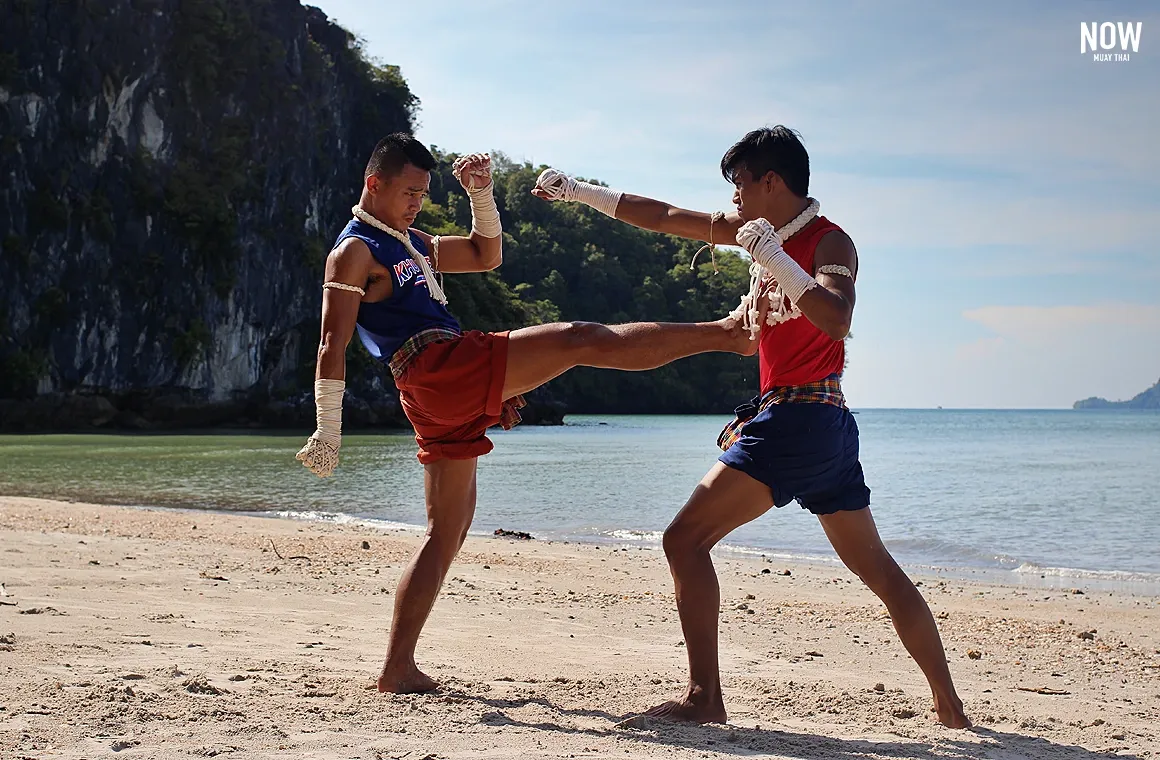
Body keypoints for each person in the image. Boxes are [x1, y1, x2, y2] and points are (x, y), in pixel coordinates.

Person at [533, 126, 970, 728]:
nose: (733, 197)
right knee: (879, 570)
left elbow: (836, 319)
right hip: (823, 428)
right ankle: (950, 706)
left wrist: (775, 260)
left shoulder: (828, 241)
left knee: (684, 541)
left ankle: (704, 699)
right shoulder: (756, 237)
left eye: (739, 183)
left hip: (800, 421)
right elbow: (663, 216)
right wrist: (581, 191)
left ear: (772, 182)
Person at [296, 132, 765, 694]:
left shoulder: (410, 241)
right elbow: (331, 340)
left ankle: (396, 667)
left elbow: (485, 254)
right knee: (579, 339)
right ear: (374, 184)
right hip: (437, 366)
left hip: (436, 387)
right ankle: (729, 334)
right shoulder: (355, 250)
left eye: (423, 193)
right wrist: (328, 428)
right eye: (409, 192)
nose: (417, 202)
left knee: (446, 532)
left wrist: (481, 193)